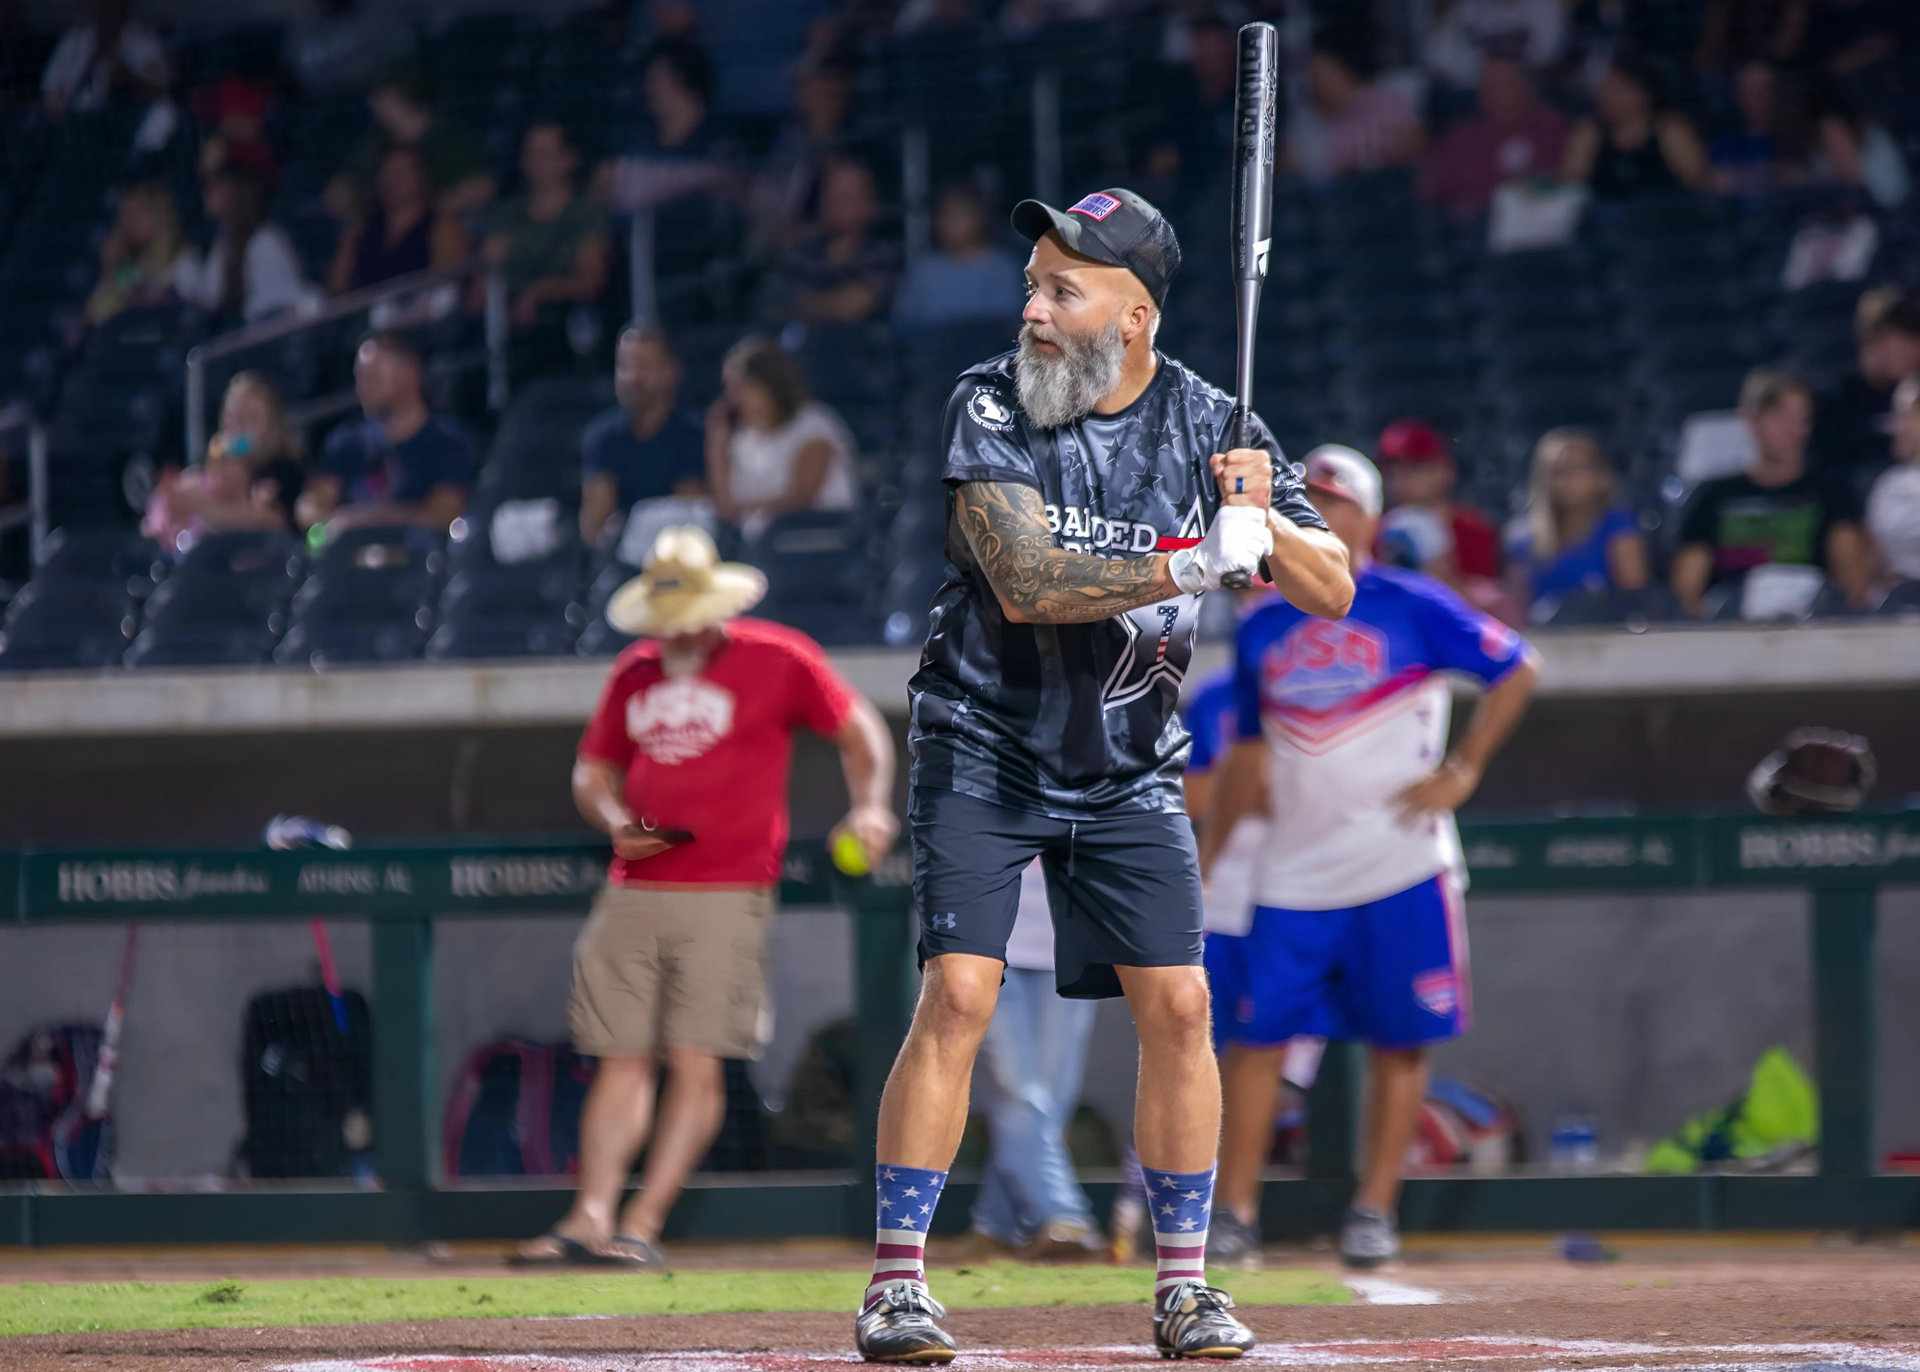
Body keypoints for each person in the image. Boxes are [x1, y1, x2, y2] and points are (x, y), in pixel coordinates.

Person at [856, 187, 1352, 1363]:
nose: (1031, 308)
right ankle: (896, 1285)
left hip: (1130, 763)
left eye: (1059, 290)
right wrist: (1191, 555)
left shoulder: (1217, 422)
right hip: (983, 735)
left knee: (1181, 1006)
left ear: (1132, 317)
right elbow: (1025, 580)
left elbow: (1334, 586)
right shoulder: (989, 401)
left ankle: (1184, 1286)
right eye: (1032, 284)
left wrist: (1265, 529)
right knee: (962, 993)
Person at [516, 525, 898, 1270]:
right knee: (619, 1056)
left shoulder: (778, 657)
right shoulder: (634, 670)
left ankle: (642, 1223)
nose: (677, 631)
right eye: (666, 618)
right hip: (633, 888)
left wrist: (871, 806)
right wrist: (616, 818)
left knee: (697, 1060)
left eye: (688, 611)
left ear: (715, 602)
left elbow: (860, 732)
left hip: (729, 889)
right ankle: (588, 1217)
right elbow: (591, 771)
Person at [1198, 444, 1539, 1269]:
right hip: (1289, 871)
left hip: (1403, 866)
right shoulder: (1263, 624)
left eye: (1339, 502)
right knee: (1255, 1043)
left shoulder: (1413, 602)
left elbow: (1515, 667)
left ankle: (1373, 1213)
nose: (1325, 514)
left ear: (1373, 518)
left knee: (1401, 1043)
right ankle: (1235, 1214)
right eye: (1307, 501)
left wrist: (1465, 770)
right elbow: (1245, 759)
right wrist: (1203, 866)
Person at [965, 860, 1103, 1261]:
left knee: (1051, 1102)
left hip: (1073, 942)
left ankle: (996, 1226)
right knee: (1018, 1091)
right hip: (985, 942)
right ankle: (1064, 1215)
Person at [1672, 367, 1873, 616]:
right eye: (1781, 418)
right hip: (1730, 628)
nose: (1794, 431)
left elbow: (1852, 586)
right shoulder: (1713, 498)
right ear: (1751, 420)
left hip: (1810, 626)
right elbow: (1687, 592)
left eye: (1802, 419)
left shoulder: (1832, 494)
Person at [300, 331, 475, 533]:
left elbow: (444, 516)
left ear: (411, 373)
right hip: (349, 558)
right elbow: (311, 507)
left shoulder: (447, 441)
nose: (361, 388)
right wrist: (326, 520)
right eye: (359, 379)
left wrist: (363, 520)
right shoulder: (345, 441)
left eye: (372, 378)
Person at [705, 336, 857, 539]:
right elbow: (725, 507)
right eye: (729, 388)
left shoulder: (813, 423)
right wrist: (716, 444)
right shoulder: (740, 439)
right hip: (761, 548)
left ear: (771, 386)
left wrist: (743, 511)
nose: (733, 398)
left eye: (743, 387)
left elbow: (802, 499)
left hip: (820, 542)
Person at [143, 371, 307, 550]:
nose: (239, 429)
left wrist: (195, 504)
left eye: (251, 418)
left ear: (273, 426)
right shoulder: (208, 466)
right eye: (232, 418)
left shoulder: (283, 469)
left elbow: (266, 522)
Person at [477, 122, 611, 336]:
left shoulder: (587, 213)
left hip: (566, 328)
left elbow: (590, 280)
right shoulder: (506, 215)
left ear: (570, 159)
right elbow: (482, 287)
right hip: (504, 329)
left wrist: (537, 293)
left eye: (545, 154)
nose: (535, 162)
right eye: (529, 154)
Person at [581, 326, 708, 545]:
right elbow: (595, 529)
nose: (633, 377)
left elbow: (687, 523)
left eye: (645, 366)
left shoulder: (695, 433)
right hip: (619, 564)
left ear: (672, 371)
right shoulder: (601, 436)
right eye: (625, 366)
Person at [1506, 428, 1650, 617]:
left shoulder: (1618, 527)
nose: (1567, 478)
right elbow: (1515, 609)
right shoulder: (1521, 538)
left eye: (1577, 468)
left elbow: (1634, 599)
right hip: (1542, 639)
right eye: (1557, 471)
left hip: (1609, 638)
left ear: (1600, 476)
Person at [325, 68, 493, 225]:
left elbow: (482, 186)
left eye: (382, 99)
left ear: (403, 97)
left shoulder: (447, 137)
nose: (374, 106)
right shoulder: (376, 145)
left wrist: (426, 217)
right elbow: (339, 191)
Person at [1418, 57, 1570, 221]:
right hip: (1469, 235)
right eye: (1492, 88)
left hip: (1539, 229)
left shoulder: (1552, 127)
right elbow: (1427, 190)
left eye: (1509, 85)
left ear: (1528, 88)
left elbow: (1565, 184)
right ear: (1480, 96)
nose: (1502, 95)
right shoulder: (1460, 137)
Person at [1811, 285, 1920, 489]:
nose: (1914, 350)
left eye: (1917, 340)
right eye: (1902, 338)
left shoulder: (1915, 398)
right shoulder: (1834, 401)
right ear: (1871, 337)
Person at [1286, 29, 1426, 187]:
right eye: (1311, 73)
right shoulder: (1308, 118)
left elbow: (1417, 144)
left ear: (1343, 68)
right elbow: (1288, 162)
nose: (1314, 80)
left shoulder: (1384, 100)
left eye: (1321, 70)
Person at [173, 167, 315, 323]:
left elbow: (281, 307)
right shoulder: (224, 243)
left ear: (234, 193)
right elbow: (212, 299)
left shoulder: (265, 241)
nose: (206, 197)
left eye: (214, 188)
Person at [1374, 419, 1503, 588]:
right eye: (1390, 469)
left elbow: (1488, 604)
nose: (1399, 478)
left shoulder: (1476, 531)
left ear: (1446, 470)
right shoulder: (1372, 533)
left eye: (1414, 468)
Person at [1562, 56, 1710, 200]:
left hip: (1664, 218)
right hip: (1603, 219)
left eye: (1618, 89)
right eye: (1603, 88)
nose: (1607, 96)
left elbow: (1698, 183)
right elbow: (1570, 185)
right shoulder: (1589, 130)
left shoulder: (1671, 130)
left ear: (1645, 93)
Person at [328, 144, 468, 295]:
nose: (393, 180)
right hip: (366, 315)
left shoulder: (441, 226)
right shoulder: (360, 230)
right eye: (387, 172)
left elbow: (448, 287)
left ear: (422, 176)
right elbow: (336, 289)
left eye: (401, 173)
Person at [779, 159, 902, 326]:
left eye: (849, 197)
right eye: (832, 195)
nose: (837, 204)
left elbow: (854, 306)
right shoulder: (801, 253)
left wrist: (812, 303)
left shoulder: (887, 254)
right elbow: (788, 304)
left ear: (872, 203)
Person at [891, 182, 1026, 329]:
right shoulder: (924, 268)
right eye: (943, 214)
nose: (948, 223)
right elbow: (904, 321)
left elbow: (1007, 323)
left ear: (980, 217)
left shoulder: (1003, 268)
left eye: (957, 215)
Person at [42, 0, 168, 119]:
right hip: (80, 125)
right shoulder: (74, 40)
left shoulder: (143, 40)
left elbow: (158, 89)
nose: (108, 6)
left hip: (128, 122)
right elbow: (50, 92)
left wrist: (126, 77)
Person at [84, 182, 183, 326]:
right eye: (122, 217)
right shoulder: (128, 268)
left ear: (157, 215)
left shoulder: (182, 260)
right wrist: (111, 271)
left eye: (133, 216)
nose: (125, 225)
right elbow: (96, 313)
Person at [1425, 0, 1568, 94]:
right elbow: (1439, 59)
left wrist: (1506, 77)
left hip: (1528, 89)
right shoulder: (1464, 10)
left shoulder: (1544, 7)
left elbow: (1547, 54)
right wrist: (1488, 80)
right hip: (1472, 93)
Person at [1866, 376, 1920, 585]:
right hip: (1897, 604)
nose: (1893, 427)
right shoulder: (1889, 485)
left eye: (1903, 416)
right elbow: (1874, 563)